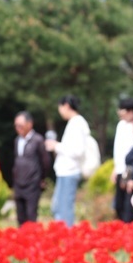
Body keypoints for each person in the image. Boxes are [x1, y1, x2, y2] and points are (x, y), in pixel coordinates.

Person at [45, 95, 92, 226]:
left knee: (64, 210)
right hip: (65, 172)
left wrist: (57, 146)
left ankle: (67, 238)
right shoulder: (74, 122)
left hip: (70, 172)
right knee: (58, 208)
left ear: (66, 106)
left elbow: (78, 151)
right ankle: (63, 236)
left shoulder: (77, 123)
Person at [12, 111, 51, 224]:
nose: (18, 128)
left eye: (21, 125)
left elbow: (46, 162)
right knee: (20, 216)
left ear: (29, 124)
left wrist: (42, 178)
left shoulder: (38, 140)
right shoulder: (17, 140)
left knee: (31, 215)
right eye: (16, 125)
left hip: (33, 183)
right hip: (19, 183)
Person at [112, 98, 133, 222]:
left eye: (121, 110)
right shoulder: (120, 125)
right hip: (120, 170)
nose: (119, 112)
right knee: (118, 204)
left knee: (128, 205)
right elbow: (118, 150)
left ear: (130, 111)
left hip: (130, 171)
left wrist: (131, 176)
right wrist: (115, 168)